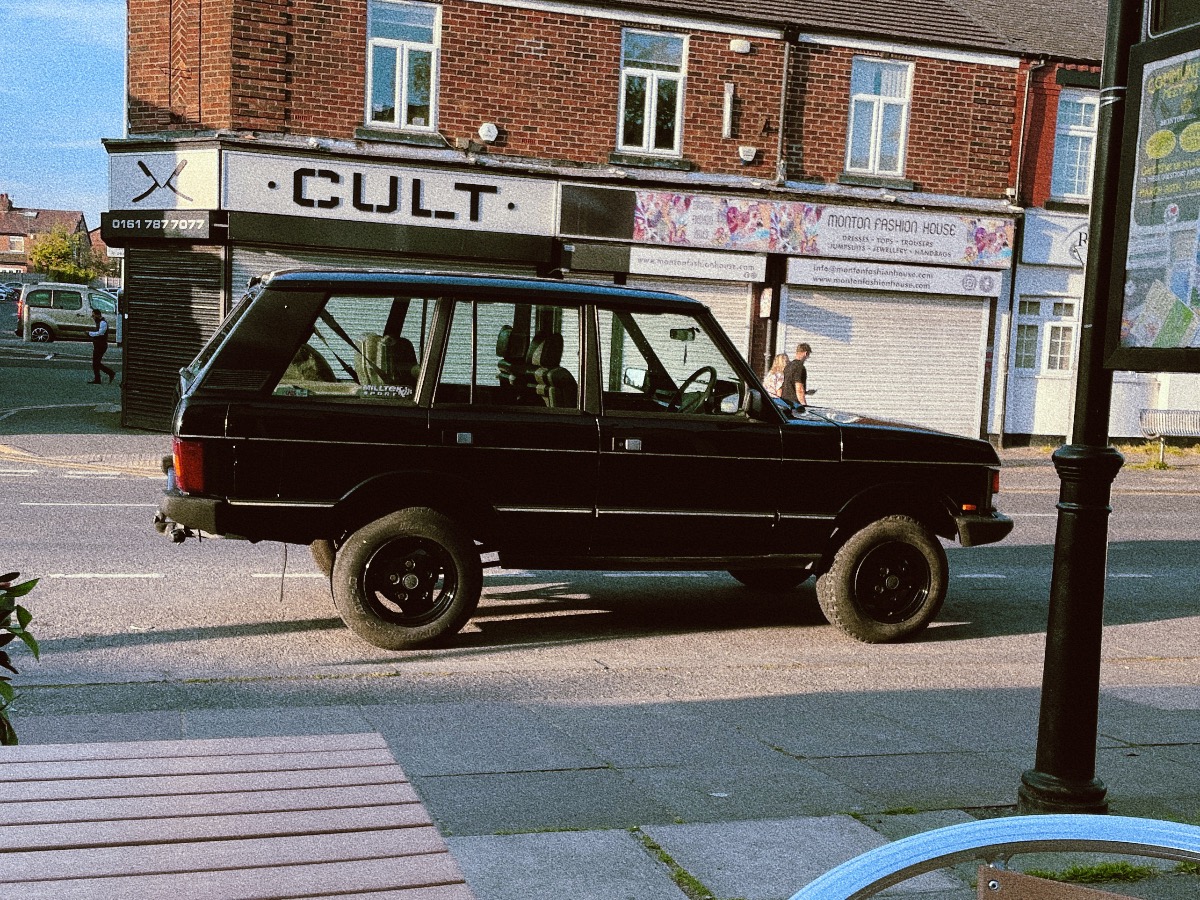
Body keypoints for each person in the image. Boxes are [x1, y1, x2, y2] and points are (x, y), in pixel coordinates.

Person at [87, 308, 116, 384]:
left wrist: (90, 333)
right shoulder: (100, 322)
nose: (93, 318)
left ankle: (109, 373)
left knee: (96, 362)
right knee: (96, 362)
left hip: (101, 345)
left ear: (98, 315)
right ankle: (99, 378)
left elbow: (101, 333)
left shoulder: (103, 323)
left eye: (93, 316)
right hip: (98, 345)